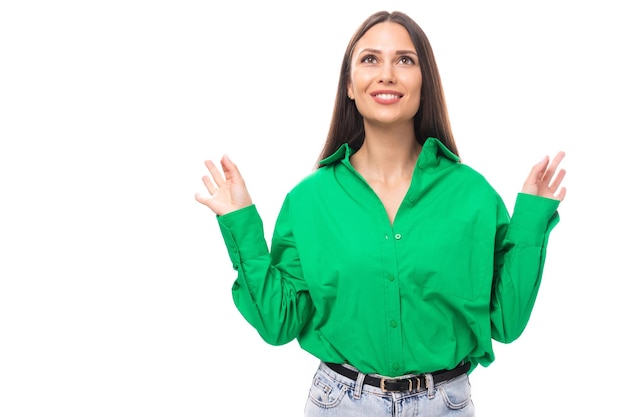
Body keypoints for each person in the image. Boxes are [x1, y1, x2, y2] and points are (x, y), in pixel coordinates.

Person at [195, 10, 566, 417]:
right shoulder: (309, 200)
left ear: (425, 83)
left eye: (404, 60)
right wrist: (240, 222)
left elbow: (506, 323)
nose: (387, 73)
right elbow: (278, 324)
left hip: (446, 404)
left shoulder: (472, 195)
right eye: (370, 59)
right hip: (340, 404)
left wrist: (531, 221)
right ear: (350, 86)